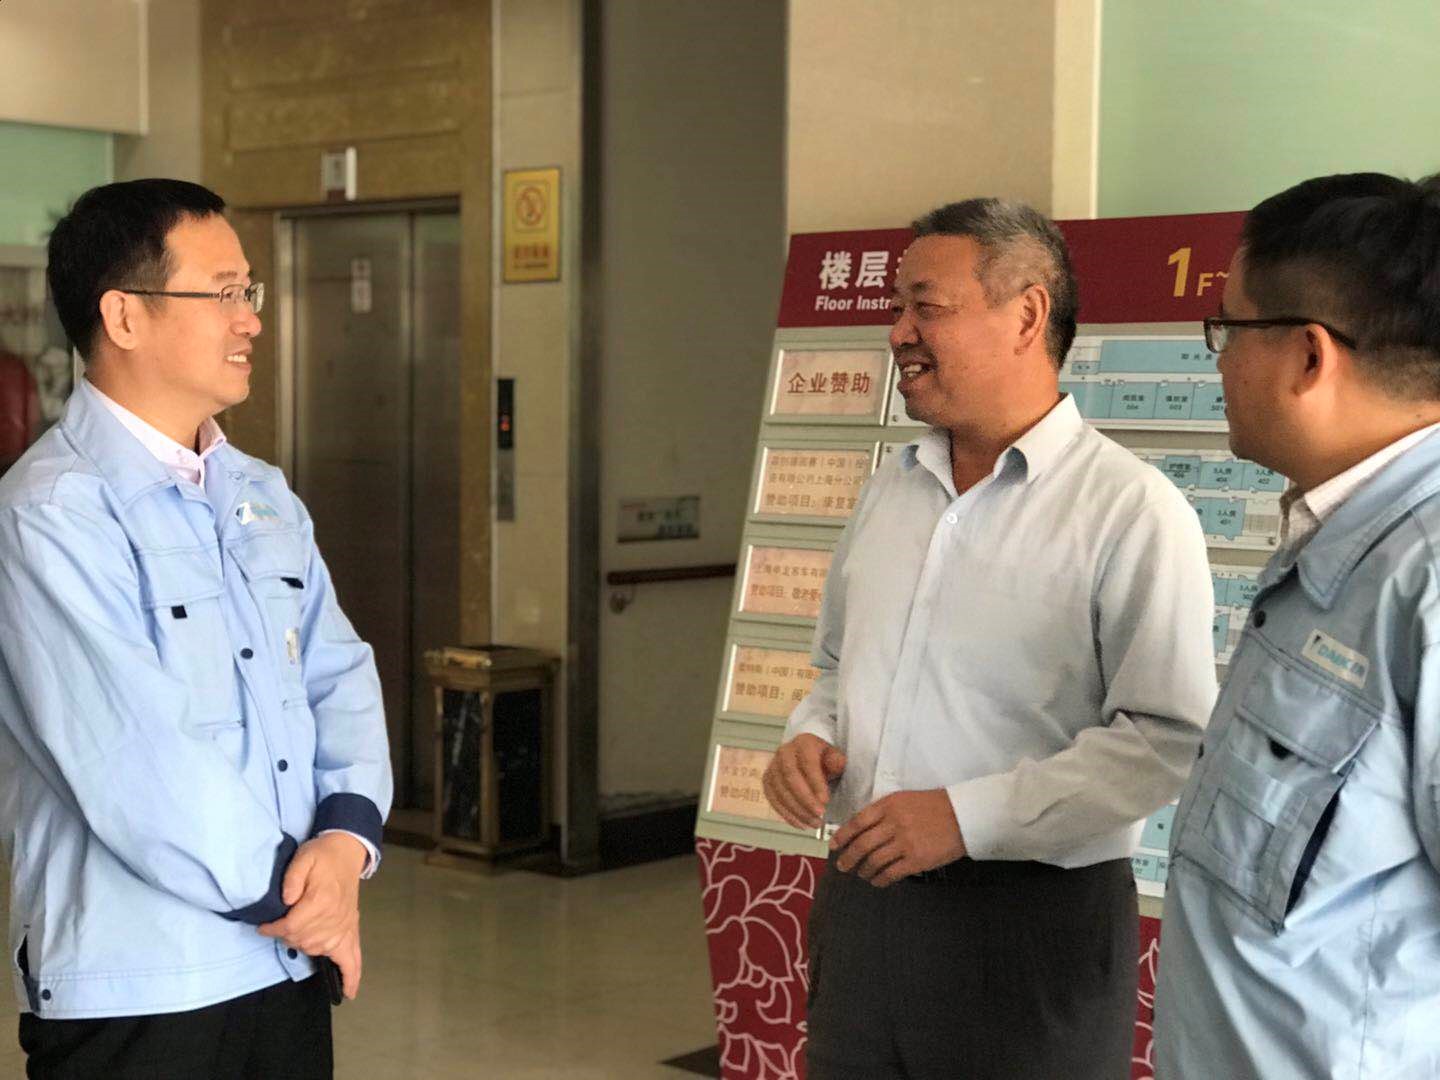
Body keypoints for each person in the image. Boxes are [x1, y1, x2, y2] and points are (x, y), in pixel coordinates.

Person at [761, 198, 1217, 1079]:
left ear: (1027, 315)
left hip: (1031, 925)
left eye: (925, 307)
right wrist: (808, 737)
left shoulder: (1130, 510)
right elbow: (838, 667)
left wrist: (966, 819)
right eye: (896, 307)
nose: (898, 332)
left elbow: (1165, 740)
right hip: (863, 910)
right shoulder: (890, 491)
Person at [0, 179, 392, 1079]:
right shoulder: (51, 513)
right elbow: (134, 758)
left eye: (248, 291)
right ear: (124, 316)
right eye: (222, 293)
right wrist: (307, 897)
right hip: (141, 986)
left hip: (286, 960)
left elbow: (339, 673)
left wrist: (344, 845)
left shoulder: (262, 494)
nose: (250, 319)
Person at [1154, 172, 1440, 1078]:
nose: (1218, 361)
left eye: (1229, 330)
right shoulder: (1340, 533)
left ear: (1309, 357)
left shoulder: (1424, 579)